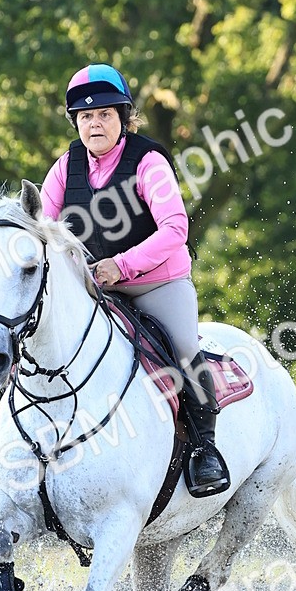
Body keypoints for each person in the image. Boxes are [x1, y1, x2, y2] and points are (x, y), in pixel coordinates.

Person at [40, 63, 231, 497]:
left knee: (184, 349)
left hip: (157, 284)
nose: (95, 123)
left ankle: (205, 448)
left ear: (123, 118)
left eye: (105, 114)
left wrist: (121, 266)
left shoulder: (149, 161)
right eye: (86, 116)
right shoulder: (65, 167)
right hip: (93, 287)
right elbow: (41, 229)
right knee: (35, 338)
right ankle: (9, 443)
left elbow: (175, 229)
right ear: (76, 122)